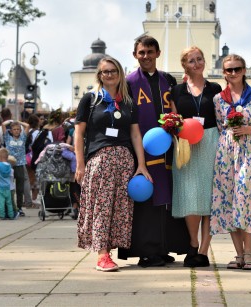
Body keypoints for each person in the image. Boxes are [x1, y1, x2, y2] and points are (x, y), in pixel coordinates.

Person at [118, 35, 190, 267]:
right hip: (141, 150)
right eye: (141, 53)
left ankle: (163, 247)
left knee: (165, 199)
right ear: (135, 55)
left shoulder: (167, 79)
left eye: (150, 52)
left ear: (158, 53)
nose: (146, 56)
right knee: (145, 201)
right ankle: (145, 250)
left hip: (167, 149)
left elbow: (175, 109)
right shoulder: (128, 82)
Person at [74, 56, 151, 272]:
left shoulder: (127, 101)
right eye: (105, 71)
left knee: (119, 210)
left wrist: (141, 164)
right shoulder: (90, 100)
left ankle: (108, 252)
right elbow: (79, 134)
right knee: (101, 207)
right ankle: (102, 255)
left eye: (113, 71)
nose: (109, 75)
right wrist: (80, 164)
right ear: (99, 75)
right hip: (100, 159)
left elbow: (136, 135)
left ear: (120, 73)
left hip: (125, 160)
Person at [210, 54, 251, 270]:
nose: (233, 73)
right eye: (229, 70)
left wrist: (248, 130)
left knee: (246, 198)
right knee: (228, 200)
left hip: (249, 152)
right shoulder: (219, 99)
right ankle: (238, 254)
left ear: (244, 70)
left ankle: (249, 251)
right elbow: (220, 126)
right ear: (224, 73)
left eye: (237, 69)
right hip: (226, 152)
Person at [170, 46, 222, 267]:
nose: (197, 63)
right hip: (186, 144)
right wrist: (173, 125)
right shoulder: (176, 91)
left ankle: (203, 250)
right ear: (184, 65)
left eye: (200, 59)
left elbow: (221, 118)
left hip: (211, 141)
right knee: (190, 195)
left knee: (209, 196)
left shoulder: (216, 88)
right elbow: (172, 117)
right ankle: (193, 243)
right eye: (192, 61)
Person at [2, 120, 30, 217]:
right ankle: (9, 206)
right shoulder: (7, 138)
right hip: (10, 165)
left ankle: (19, 207)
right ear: (11, 130)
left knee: (20, 187)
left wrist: (19, 122)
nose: (16, 131)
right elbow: (3, 125)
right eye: (14, 129)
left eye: (18, 129)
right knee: (9, 186)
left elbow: (27, 125)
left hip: (20, 164)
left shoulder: (23, 137)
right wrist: (10, 121)